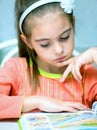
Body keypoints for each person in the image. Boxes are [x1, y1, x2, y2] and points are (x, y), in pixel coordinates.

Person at [0, 0, 96, 119]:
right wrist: (37, 102)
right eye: (45, 44)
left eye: (64, 37)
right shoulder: (14, 69)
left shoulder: (86, 74)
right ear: (28, 42)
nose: (58, 50)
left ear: (73, 25)